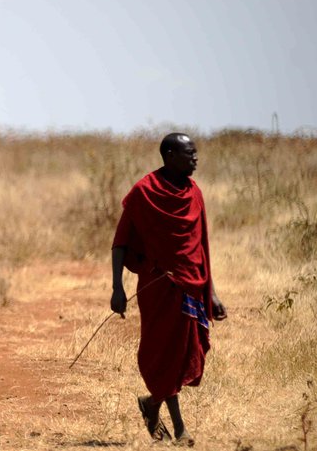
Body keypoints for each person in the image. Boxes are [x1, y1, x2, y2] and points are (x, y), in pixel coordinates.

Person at [110, 133, 227, 446]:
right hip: (157, 284)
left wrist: (212, 293)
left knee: (185, 352)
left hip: (194, 285)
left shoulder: (195, 193)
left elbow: (201, 247)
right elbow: (120, 243)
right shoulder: (144, 191)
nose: (195, 158)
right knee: (165, 351)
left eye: (196, 153)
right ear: (171, 154)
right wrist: (116, 288)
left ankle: (151, 405)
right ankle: (179, 430)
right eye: (190, 153)